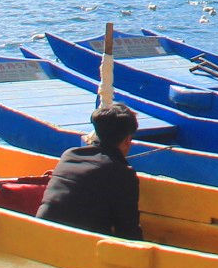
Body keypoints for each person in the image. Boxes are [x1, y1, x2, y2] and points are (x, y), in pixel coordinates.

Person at [35, 102, 143, 239]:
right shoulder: (122, 173)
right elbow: (128, 230)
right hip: (80, 244)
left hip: (41, 233)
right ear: (127, 140)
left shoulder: (69, 154)